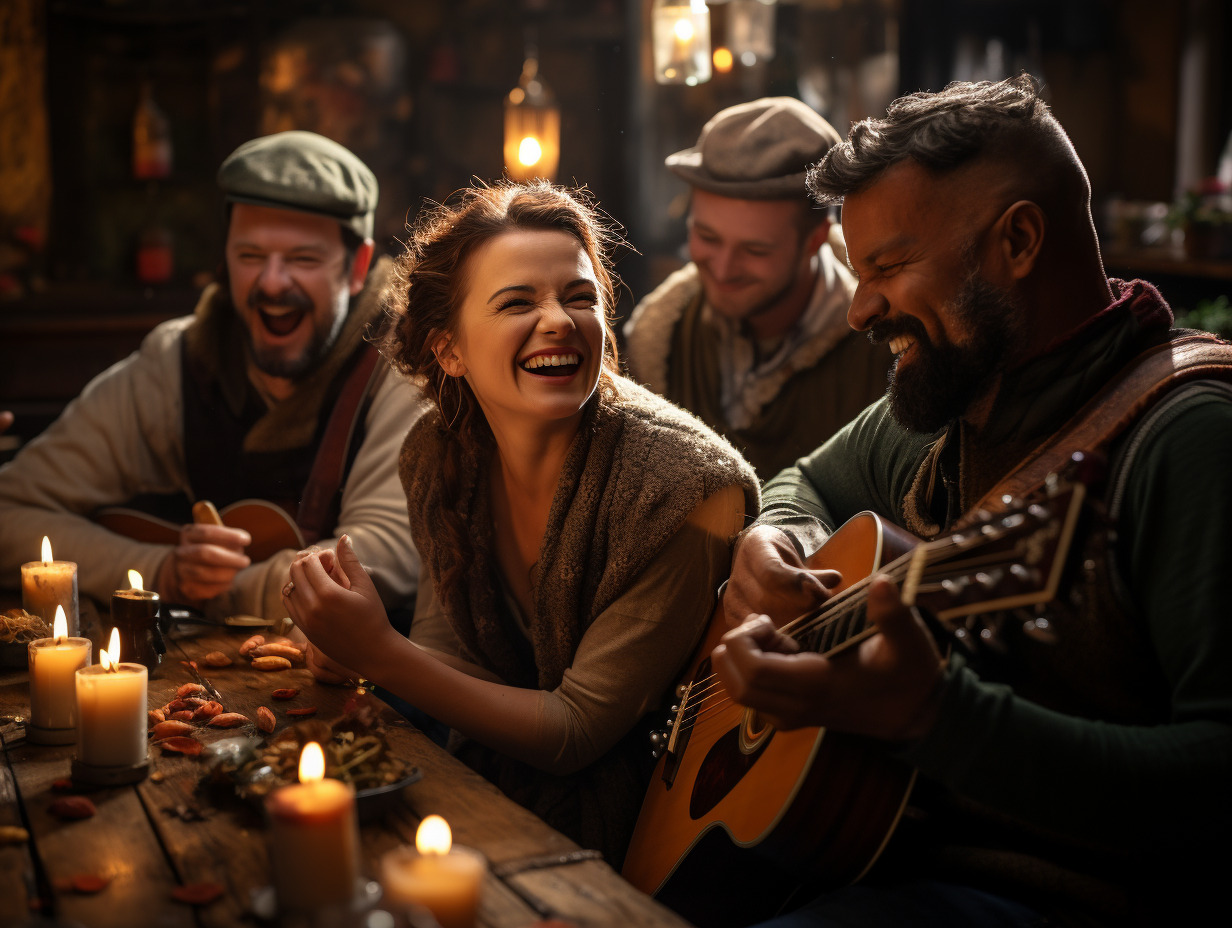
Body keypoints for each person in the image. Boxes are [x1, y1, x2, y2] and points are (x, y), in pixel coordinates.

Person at [714, 75, 1232, 927]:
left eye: (888, 266)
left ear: (1019, 240)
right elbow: (805, 482)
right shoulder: (953, 395)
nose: (858, 309)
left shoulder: (1192, 438)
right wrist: (778, 539)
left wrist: (938, 717)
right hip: (884, 854)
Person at [282, 181, 760, 866]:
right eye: (517, 302)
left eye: (578, 296)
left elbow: (576, 731)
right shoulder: (436, 454)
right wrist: (352, 648)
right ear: (450, 350)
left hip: (667, 829)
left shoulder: (689, 486)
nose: (559, 321)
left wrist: (380, 655)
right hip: (479, 787)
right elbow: (448, 655)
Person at [0, 131, 422, 621]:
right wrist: (161, 572)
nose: (271, 283)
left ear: (358, 267)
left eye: (303, 259)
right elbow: (8, 512)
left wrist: (224, 592)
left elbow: (386, 556)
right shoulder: (175, 361)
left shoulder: (401, 364)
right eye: (250, 256)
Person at [624, 97, 888, 479]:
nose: (724, 267)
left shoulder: (884, 353)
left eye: (754, 249)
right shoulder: (658, 346)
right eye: (707, 236)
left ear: (816, 240)